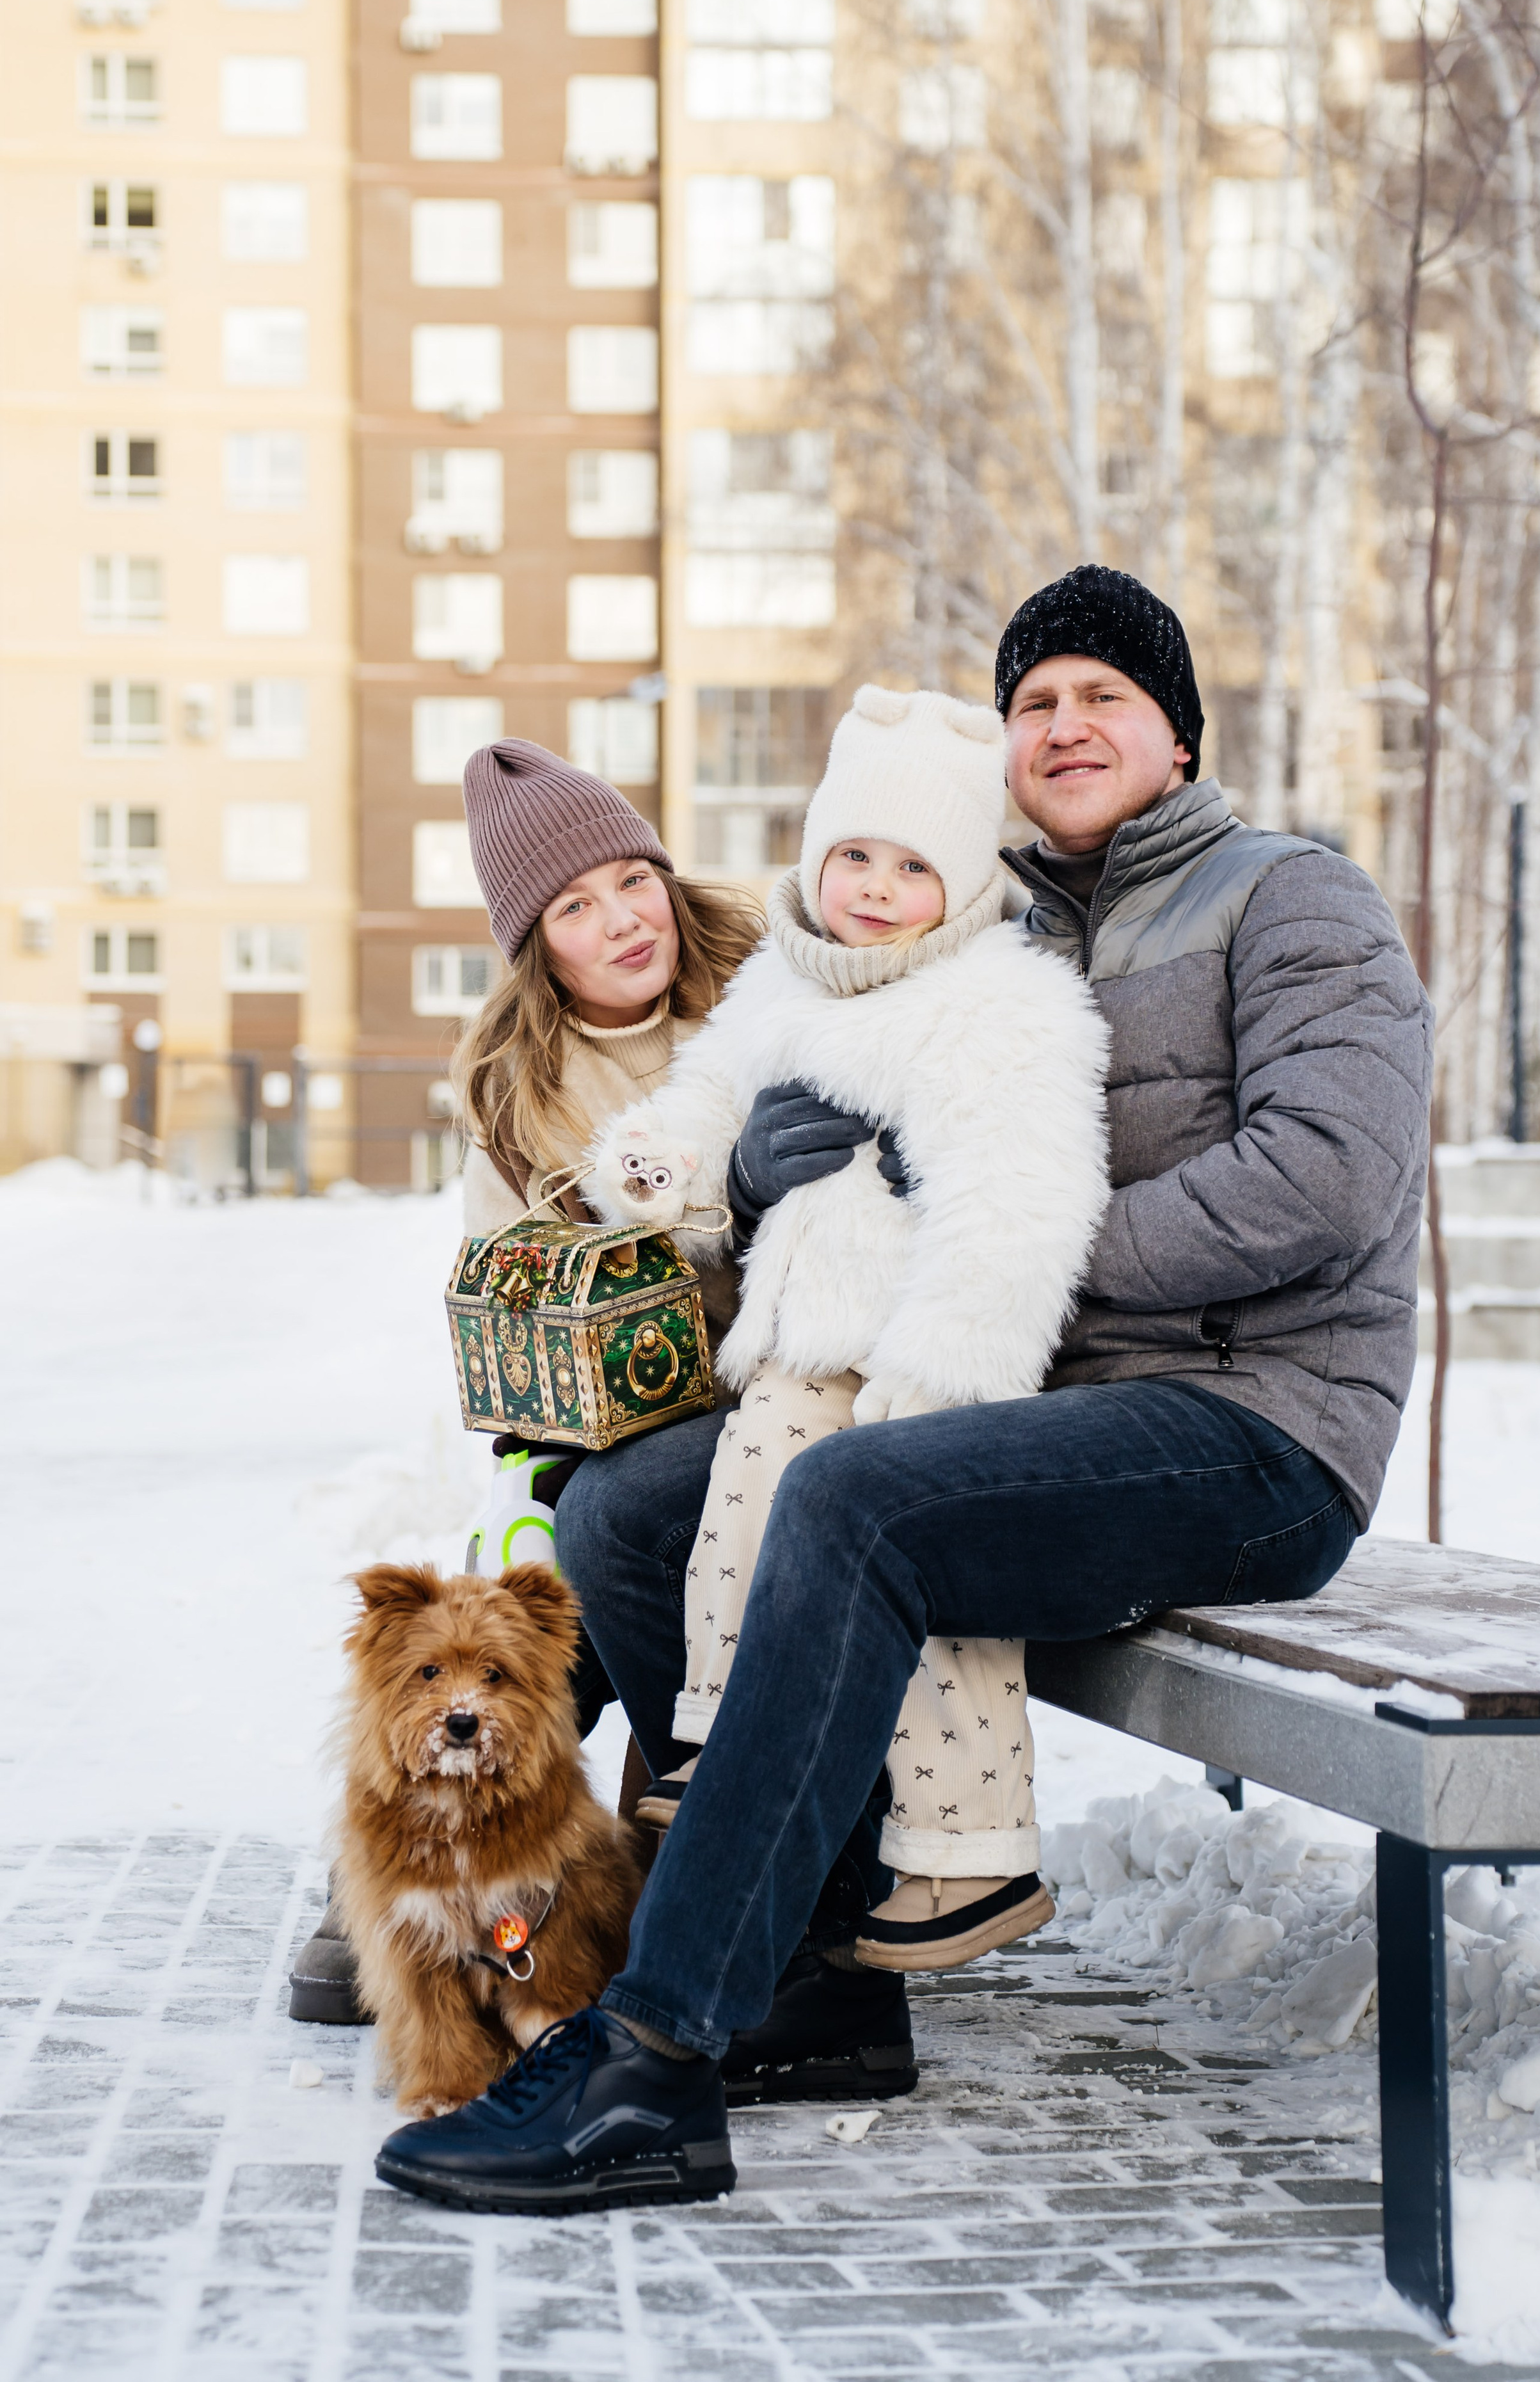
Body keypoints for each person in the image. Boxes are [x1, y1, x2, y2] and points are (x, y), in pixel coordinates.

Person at [372, 565, 1433, 2219]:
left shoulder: (1287, 898)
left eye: (1103, 696)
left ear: (1177, 732)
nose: (1063, 724)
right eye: (1034, 701)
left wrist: (984, 1244)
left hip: (1249, 1425)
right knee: (627, 1513)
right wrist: (766, 1180)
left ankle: (652, 2053)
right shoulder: (983, 916)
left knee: (850, 1496)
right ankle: (817, 1975)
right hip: (1027, 1405)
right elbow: (836, 1168)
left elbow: (1326, 1178)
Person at [586, 683, 1111, 1970]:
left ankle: (971, 1850)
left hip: (923, 1348)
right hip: (805, 1332)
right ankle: (720, 1733)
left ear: (963, 881)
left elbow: (1020, 1211)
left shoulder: (998, 1003)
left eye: (913, 866)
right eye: (855, 855)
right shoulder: (781, 983)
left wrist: (945, 1377)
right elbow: (705, 1095)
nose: (875, 888)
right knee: (745, 1496)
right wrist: (668, 1167)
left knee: (910, 1553)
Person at [287, 738, 760, 2024]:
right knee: (519, 1597)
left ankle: (680, 1856)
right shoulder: (516, 1090)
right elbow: (514, 1300)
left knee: (612, 1529)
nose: (624, 921)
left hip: (777, 1381)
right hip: (622, 1414)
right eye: (576, 907)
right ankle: (420, 1864)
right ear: (535, 946)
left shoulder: (762, 996)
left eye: (634, 880)